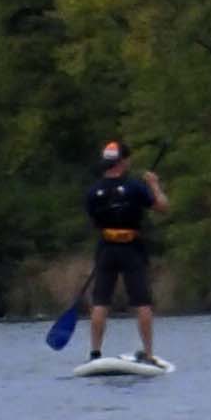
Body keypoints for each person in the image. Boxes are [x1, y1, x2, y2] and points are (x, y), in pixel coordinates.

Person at [82, 140, 169, 364]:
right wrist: (154, 184)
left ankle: (95, 353)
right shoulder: (135, 187)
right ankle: (148, 354)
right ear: (123, 161)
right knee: (142, 302)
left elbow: (93, 220)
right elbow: (162, 207)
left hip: (106, 249)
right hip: (131, 248)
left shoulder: (93, 191)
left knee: (101, 302)